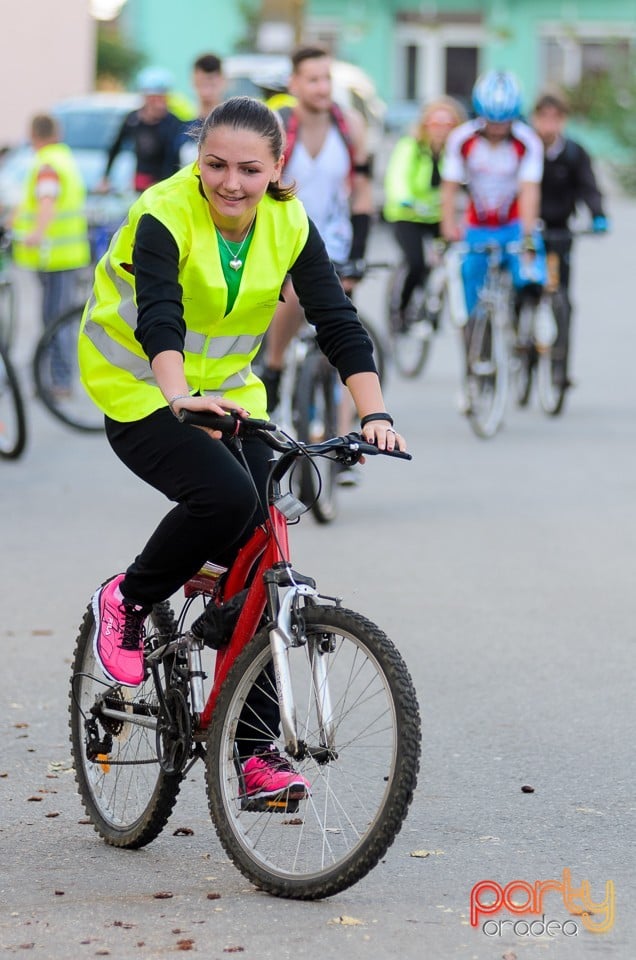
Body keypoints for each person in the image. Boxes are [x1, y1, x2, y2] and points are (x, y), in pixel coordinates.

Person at [78, 96, 404, 799]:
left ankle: (254, 752)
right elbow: (159, 313)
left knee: (265, 543)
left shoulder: (289, 222)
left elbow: (337, 319)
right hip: (139, 388)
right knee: (224, 496)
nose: (230, 182)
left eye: (249, 169)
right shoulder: (163, 213)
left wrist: (373, 411)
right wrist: (176, 396)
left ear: (277, 168)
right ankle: (129, 600)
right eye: (215, 165)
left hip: (226, 394)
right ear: (197, 158)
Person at [259, 45, 374, 416]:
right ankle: (273, 367)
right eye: (313, 79)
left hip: (334, 239)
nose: (322, 88)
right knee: (293, 294)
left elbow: (362, 191)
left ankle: (345, 434)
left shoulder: (349, 125)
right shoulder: (277, 123)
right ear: (294, 83)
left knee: (342, 329)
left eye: (327, 79)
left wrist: (358, 254)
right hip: (284, 235)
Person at [441, 69, 547, 324]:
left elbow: (529, 190)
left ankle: (528, 325)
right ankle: (475, 335)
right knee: (469, 278)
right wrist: (447, 229)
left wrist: (529, 235)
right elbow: (449, 187)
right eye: (492, 122)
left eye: (504, 122)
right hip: (477, 224)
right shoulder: (461, 139)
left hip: (513, 223)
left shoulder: (527, 141)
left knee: (530, 274)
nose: (498, 129)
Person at [531, 90, 608, 386]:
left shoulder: (574, 152)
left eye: (556, 117)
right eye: (544, 117)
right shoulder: (525, 148)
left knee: (561, 294)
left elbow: (589, 186)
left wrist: (598, 214)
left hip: (560, 229)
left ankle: (560, 365)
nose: (549, 124)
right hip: (527, 229)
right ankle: (520, 340)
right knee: (525, 290)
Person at [12, 113, 90, 393]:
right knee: (54, 319)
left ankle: (59, 382)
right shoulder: (64, 159)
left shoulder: (47, 164)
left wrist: (35, 234)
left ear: (34, 136)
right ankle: (54, 380)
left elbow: (47, 201)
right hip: (66, 255)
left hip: (55, 257)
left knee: (55, 321)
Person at [383, 97, 465, 330]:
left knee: (450, 258)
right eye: (435, 124)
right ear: (425, 125)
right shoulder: (410, 146)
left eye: (447, 125)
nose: (440, 130)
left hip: (436, 216)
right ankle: (402, 309)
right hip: (407, 215)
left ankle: (432, 301)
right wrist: (406, 200)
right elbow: (396, 178)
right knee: (416, 262)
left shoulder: (454, 152)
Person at [99, 66, 185, 193]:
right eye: (154, 98)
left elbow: (175, 159)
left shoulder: (173, 123)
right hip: (140, 182)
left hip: (166, 185)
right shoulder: (132, 120)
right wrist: (106, 177)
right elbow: (115, 148)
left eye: (162, 98)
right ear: (145, 98)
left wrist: (163, 183)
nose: (158, 103)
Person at [179, 53, 226, 166]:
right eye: (202, 83)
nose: (207, 91)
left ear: (223, 81)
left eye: (211, 84)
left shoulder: (235, 126)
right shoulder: (181, 126)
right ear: (193, 81)